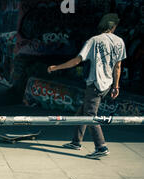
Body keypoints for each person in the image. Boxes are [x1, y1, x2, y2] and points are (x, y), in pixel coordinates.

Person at [48, 13, 126, 159]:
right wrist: (116, 86)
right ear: (114, 26)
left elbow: (77, 61)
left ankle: (101, 146)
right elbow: (118, 66)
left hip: (96, 83)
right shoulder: (119, 41)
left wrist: (56, 68)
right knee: (82, 112)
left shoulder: (94, 40)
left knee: (90, 115)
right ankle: (76, 142)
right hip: (108, 84)